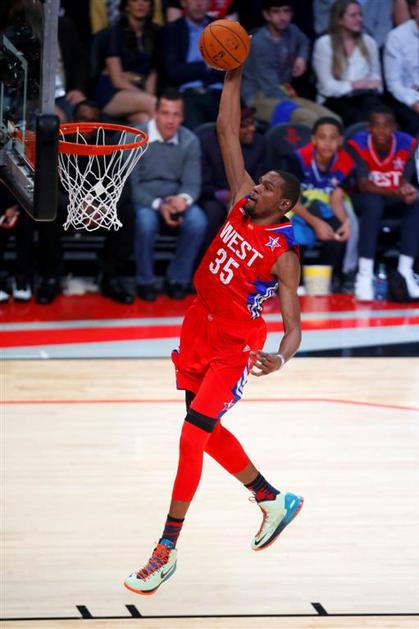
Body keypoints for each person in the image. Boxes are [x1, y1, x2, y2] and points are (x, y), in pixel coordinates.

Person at [124, 64, 303, 595]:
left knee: (191, 436)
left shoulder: (284, 255)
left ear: (283, 205)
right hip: (197, 324)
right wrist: (232, 75)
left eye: (267, 187)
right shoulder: (241, 200)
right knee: (203, 429)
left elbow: (294, 326)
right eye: (259, 181)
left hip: (233, 344)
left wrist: (281, 357)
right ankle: (271, 498)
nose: (257, 186)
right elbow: (226, 130)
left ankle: (166, 549)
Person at [35, 100, 137, 305]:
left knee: (127, 213)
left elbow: (124, 186)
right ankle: (51, 276)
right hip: (65, 208)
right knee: (46, 211)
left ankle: (110, 277)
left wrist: (103, 208)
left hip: (100, 211)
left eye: (93, 120)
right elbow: (47, 186)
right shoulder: (58, 144)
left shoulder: (110, 146)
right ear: (73, 120)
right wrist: (77, 207)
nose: (88, 125)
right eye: (83, 119)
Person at [130, 89, 207, 300]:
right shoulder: (135, 137)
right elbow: (131, 186)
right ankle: (145, 280)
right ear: (155, 113)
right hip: (144, 199)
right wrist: (158, 205)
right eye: (165, 113)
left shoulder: (190, 140)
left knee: (198, 221)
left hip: (175, 197)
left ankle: (177, 278)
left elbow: (193, 184)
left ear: (182, 117)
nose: (170, 120)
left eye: (176, 114)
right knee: (145, 223)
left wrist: (183, 199)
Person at [346, 106, 419, 301]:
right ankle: (364, 274)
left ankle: (405, 271)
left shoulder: (408, 144)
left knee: (416, 203)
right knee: (373, 203)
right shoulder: (357, 143)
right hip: (365, 197)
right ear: (369, 128)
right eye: (376, 125)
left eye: (386, 126)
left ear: (394, 128)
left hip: (394, 196)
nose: (381, 130)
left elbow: (405, 180)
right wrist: (397, 192)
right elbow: (363, 185)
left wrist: (409, 191)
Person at [287, 117, 358, 292]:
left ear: (340, 140)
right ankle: (294, 281)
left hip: (328, 207)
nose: (327, 143)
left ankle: (332, 277)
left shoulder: (346, 162)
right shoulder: (297, 158)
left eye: (333, 138)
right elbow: (291, 199)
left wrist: (345, 222)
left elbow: (337, 198)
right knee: (294, 233)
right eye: (322, 137)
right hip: (298, 206)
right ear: (313, 139)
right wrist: (316, 223)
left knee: (340, 231)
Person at [241, 0, 335, 127]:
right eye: (276, 12)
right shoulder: (260, 43)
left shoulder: (291, 30)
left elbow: (304, 41)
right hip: (259, 98)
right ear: (266, 15)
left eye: (286, 11)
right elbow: (270, 87)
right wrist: (298, 104)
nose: (282, 17)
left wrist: (301, 58)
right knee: (308, 118)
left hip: (283, 93)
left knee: (331, 119)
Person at [198, 105, 266, 254]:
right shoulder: (207, 143)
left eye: (252, 123)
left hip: (249, 196)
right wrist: (224, 195)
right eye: (244, 125)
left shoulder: (260, 143)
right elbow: (201, 182)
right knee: (212, 212)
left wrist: (244, 195)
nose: (252, 129)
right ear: (232, 127)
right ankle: (209, 259)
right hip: (214, 197)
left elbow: (262, 178)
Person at [312, 0, 383, 127]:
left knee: (382, 116)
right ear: (339, 20)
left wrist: (371, 85)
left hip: (364, 96)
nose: (359, 19)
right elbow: (327, 87)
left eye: (360, 15)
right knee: (356, 119)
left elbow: (376, 78)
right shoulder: (324, 44)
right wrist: (355, 85)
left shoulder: (369, 42)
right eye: (353, 15)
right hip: (334, 100)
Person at [162, 0, 224, 130]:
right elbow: (173, 72)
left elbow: (228, 66)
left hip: (220, 94)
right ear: (183, 3)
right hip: (189, 95)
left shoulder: (221, 27)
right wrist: (206, 66)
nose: (199, 4)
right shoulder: (172, 30)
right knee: (198, 134)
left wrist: (193, 69)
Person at [94, 0, 159, 123]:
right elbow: (117, 80)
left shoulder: (155, 33)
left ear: (150, 6)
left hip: (139, 92)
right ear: (127, 6)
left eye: (145, 0)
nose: (140, 4)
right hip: (112, 92)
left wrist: (147, 95)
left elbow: (152, 73)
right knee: (154, 104)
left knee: (144, 119)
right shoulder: (114, 34)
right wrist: (145, 97)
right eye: (135, 0)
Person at [384, 0, 419, 137]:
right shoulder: (397, 37)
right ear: (413, 11)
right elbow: (394, 84)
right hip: (407, 98)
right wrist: (414, 103)